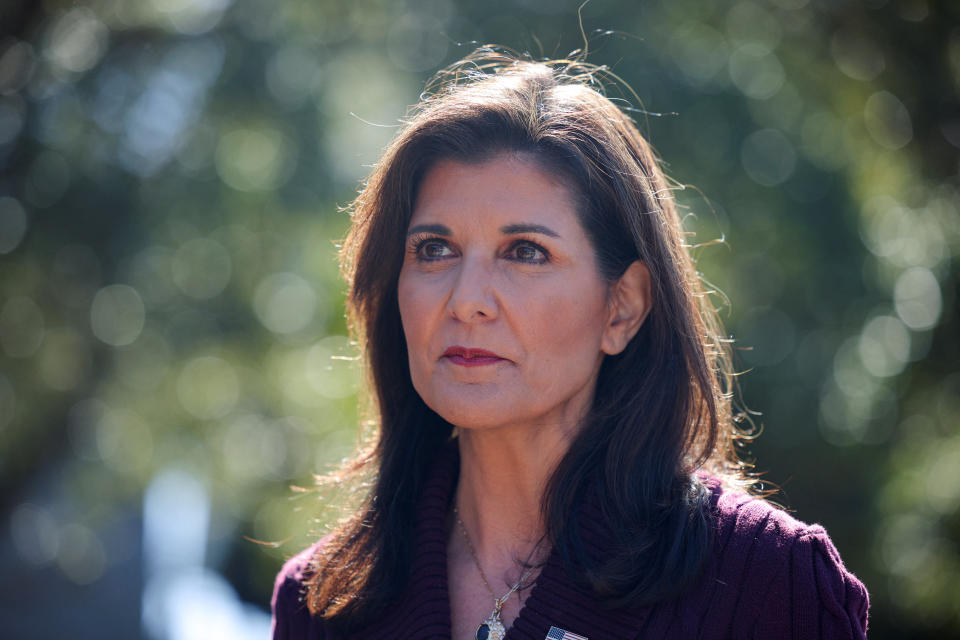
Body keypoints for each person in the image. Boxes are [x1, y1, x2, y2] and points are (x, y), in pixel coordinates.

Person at [271, 50, 869, 640]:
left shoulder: (765, 582)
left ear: (622, 308)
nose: (465, 299)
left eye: (525, 251)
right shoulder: (322, 605)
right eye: (434, 249)